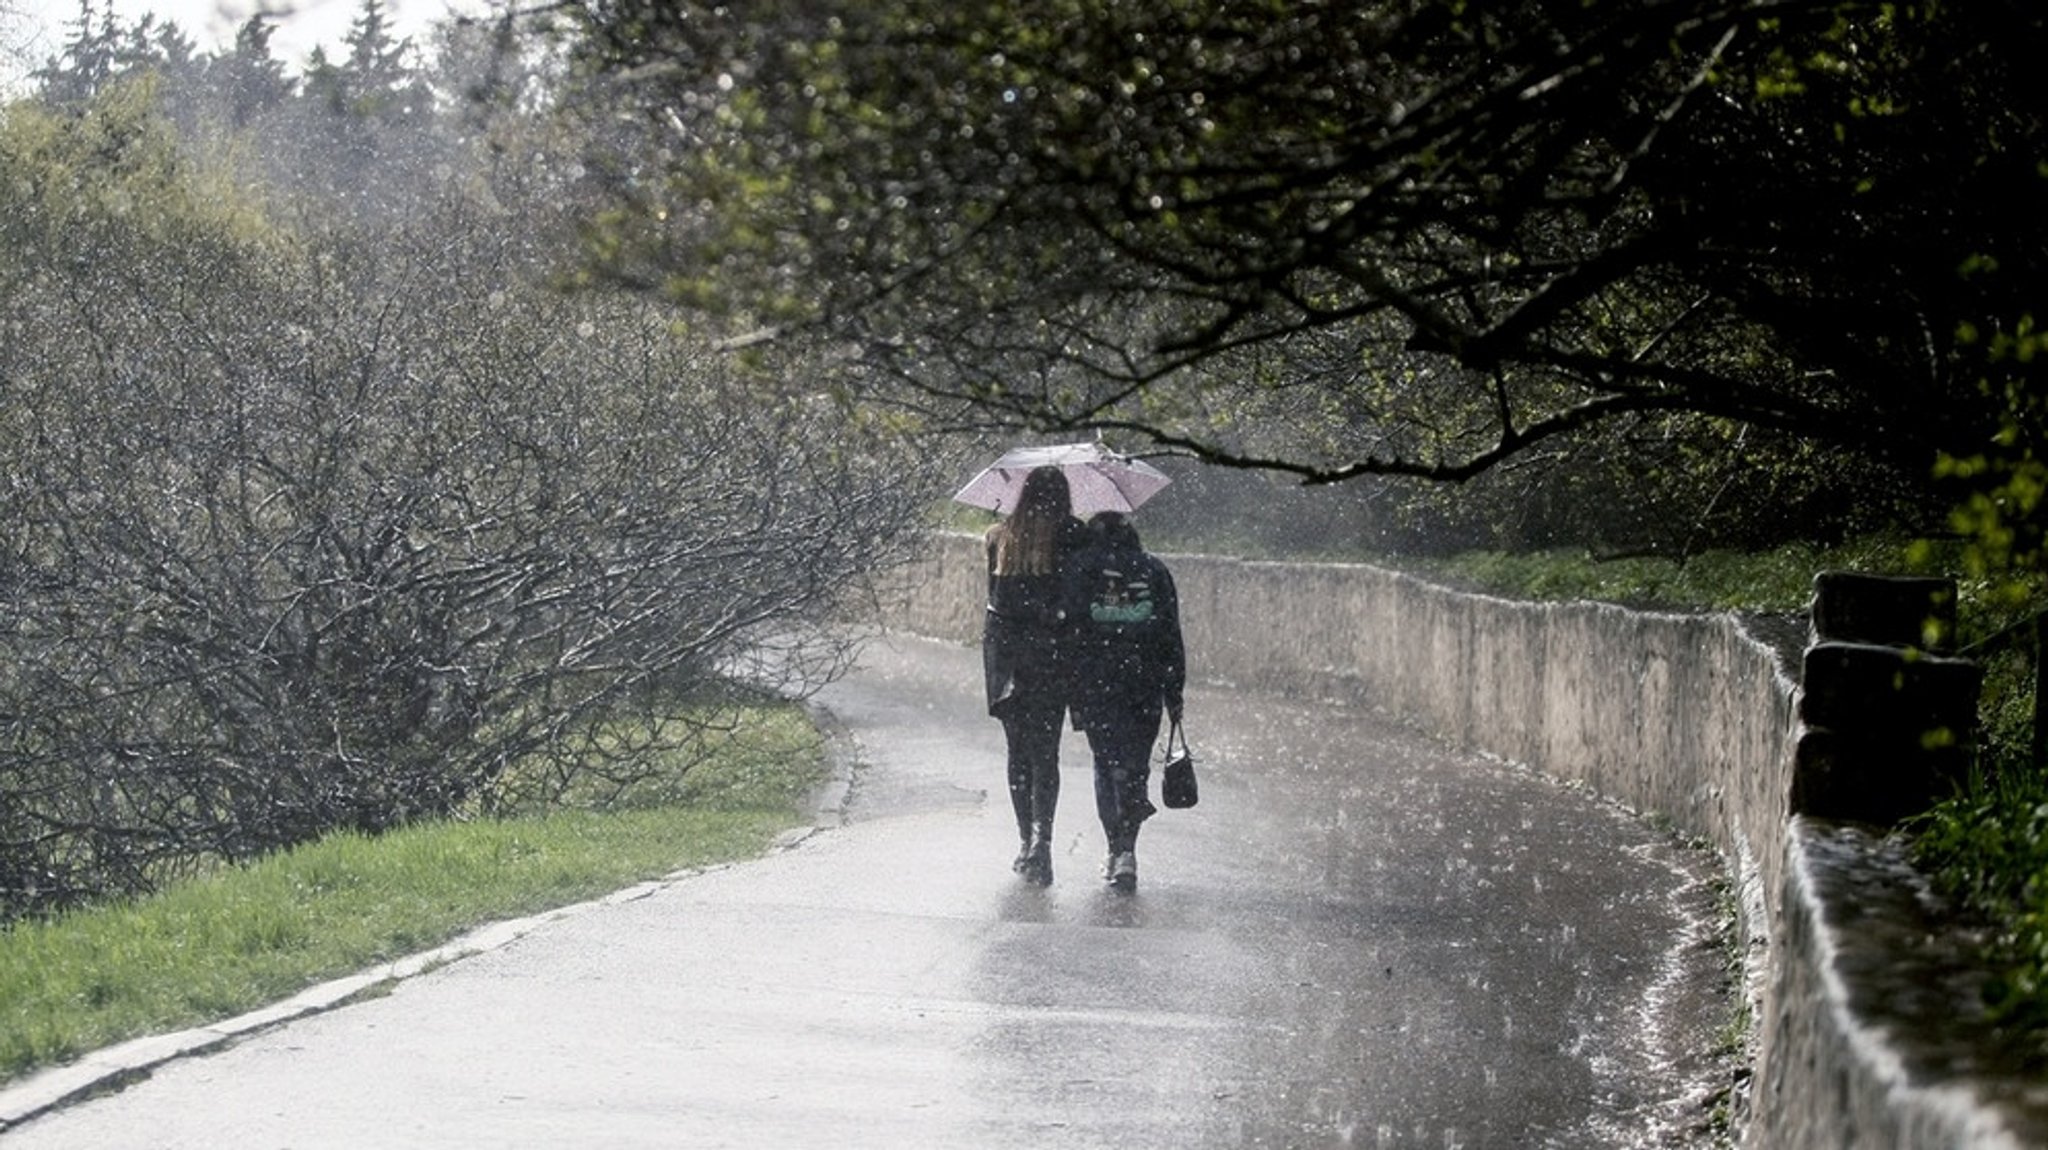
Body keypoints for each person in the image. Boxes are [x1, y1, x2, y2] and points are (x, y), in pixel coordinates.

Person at [1062, 511, 1185, 894]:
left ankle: (1116, 848)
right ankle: (1128, 850)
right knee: (1134, 767)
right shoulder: (1156, 571)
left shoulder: (1081, 569)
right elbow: (1170, 633)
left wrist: (1071, 683)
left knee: (1107, 764)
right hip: (1144, 683)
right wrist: (1174, 690)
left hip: (1098, 684)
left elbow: (1071, 630)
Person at [982, 466, 1087, 885]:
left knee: (1018, 754)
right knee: (1046, 754)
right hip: (1052, 657)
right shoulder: (1074, 535)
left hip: (1008, 659)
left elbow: (993, 602)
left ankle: (1025, 840)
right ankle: (1043, 838)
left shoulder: (999, 537)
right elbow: (1077, 598)